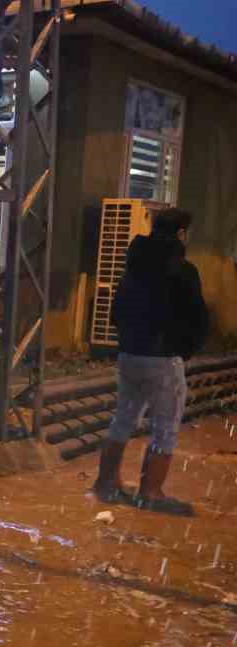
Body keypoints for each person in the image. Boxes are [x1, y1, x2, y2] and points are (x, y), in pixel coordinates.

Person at [94, 207, 208, 514]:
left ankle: (106, 484)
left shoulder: (133, 267)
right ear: (181, 234)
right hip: (162, 359)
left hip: (129, 354)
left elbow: (116, 312)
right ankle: (151, 491)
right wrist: (182, 350)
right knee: (165, 427)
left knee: (123, 419)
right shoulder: (183, 269)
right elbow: (196, 318)